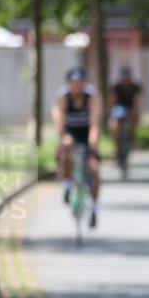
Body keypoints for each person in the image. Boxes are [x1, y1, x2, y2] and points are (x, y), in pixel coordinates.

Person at [53, 67, 102, 228]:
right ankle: (67, 184)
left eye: (80, 82)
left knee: (94, 170)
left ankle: (94, 208)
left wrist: (93, 142)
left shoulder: (91, 96)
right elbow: (60, 123)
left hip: (86, 133)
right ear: (69, 84)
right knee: (66, 152)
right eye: (74, 83)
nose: (77, 86)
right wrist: (64, 138)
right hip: (70, 133)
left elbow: (95, 123)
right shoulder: (63, 97)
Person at [108, 66, 142, 168]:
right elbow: (112, 102)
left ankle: (132, 138)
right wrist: (112, 116)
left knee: (134, 119)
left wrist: (137, 113)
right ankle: (116, 147)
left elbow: (137, 101)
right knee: (116, 125)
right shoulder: (116, 87)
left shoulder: (135, 87)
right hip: (119, 107)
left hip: (130, 107)